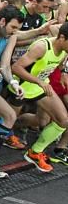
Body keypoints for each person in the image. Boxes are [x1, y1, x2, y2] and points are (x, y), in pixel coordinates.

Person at [13, 23, 68, 172]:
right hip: (21, 86)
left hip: (40, 87)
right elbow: (16, 67)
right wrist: (38, 81)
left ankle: (35, 152)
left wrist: (63, 72)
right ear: (62, 38)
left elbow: (60, 63)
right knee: (4, 121)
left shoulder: (64, 49)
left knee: (63, 120)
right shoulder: (42, 47)